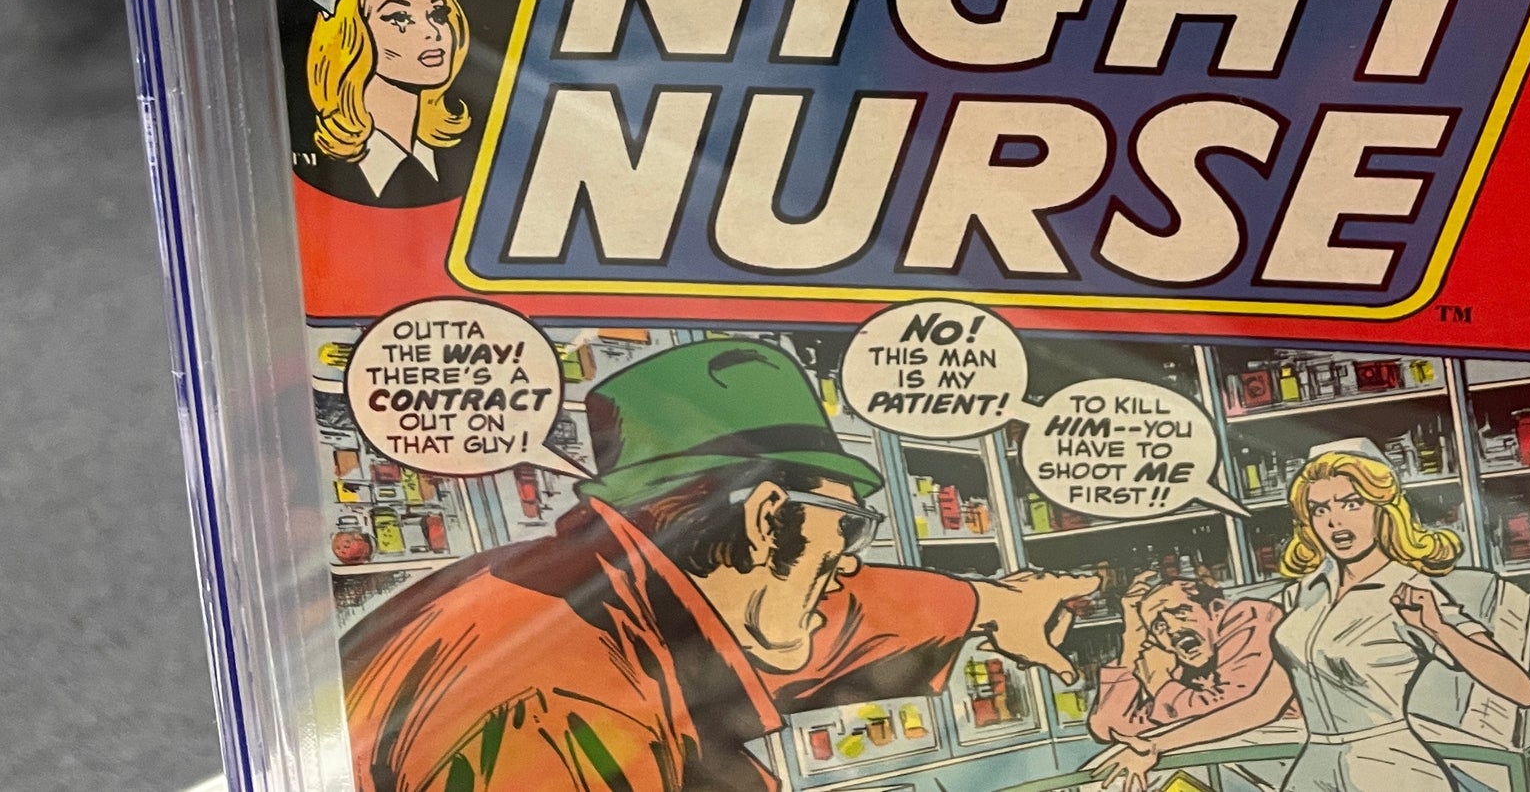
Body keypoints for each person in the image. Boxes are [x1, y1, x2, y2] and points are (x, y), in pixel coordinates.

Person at [342, 337, 1093, 792]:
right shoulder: (559, 699)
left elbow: (845, 608)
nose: (846, 563)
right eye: (848, 526)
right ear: (767, 516)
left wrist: (995, 603)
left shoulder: (622, 584)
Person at [1270, 441, 1530, 791]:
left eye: (1352, 504)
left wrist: (1438, 628)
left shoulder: (1407, 590)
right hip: (1314, 767)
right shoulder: (1307, 591)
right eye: (1319, 509)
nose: (1335, 521)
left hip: (1390, 769)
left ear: (1383, 510)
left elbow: (1522, 691)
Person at [299, 0, 471, 206]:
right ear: (348, 37)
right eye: (400, 17)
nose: (433, 32)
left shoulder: (460, 160)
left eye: (437, 14)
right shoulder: (325, 172)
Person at [1085, 568, 1292, 786]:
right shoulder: (1176, 662)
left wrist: (1159, 683)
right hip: (1236, 755)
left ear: (1214, 608)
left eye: (1180, 612)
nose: (1173, 629)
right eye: (1159, 626)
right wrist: (1131, 643)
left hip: (1282, 743)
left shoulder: (1247, 615)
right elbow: (1110, 729)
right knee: (1114, 773)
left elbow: (1235, 707)